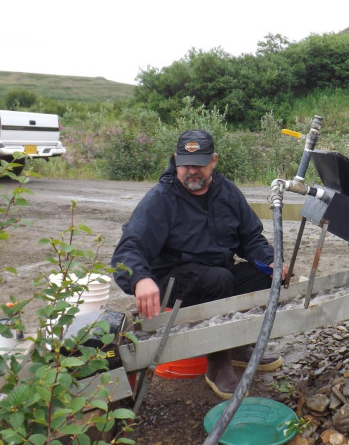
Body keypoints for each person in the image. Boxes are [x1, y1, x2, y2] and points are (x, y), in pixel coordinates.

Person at [112, 129, 285, 399]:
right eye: (186, 164)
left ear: (213, 161)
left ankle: (238, 345)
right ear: (176, 160)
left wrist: (271, 260)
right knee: (219, 279)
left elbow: (250, 237)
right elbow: (129, 247)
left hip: (216, 274)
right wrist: (139, 279)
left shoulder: (226, 191)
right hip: (173, 280)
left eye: (200, 164)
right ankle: (217, 364)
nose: (192, 171)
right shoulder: (161, 198)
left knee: (264, 277)